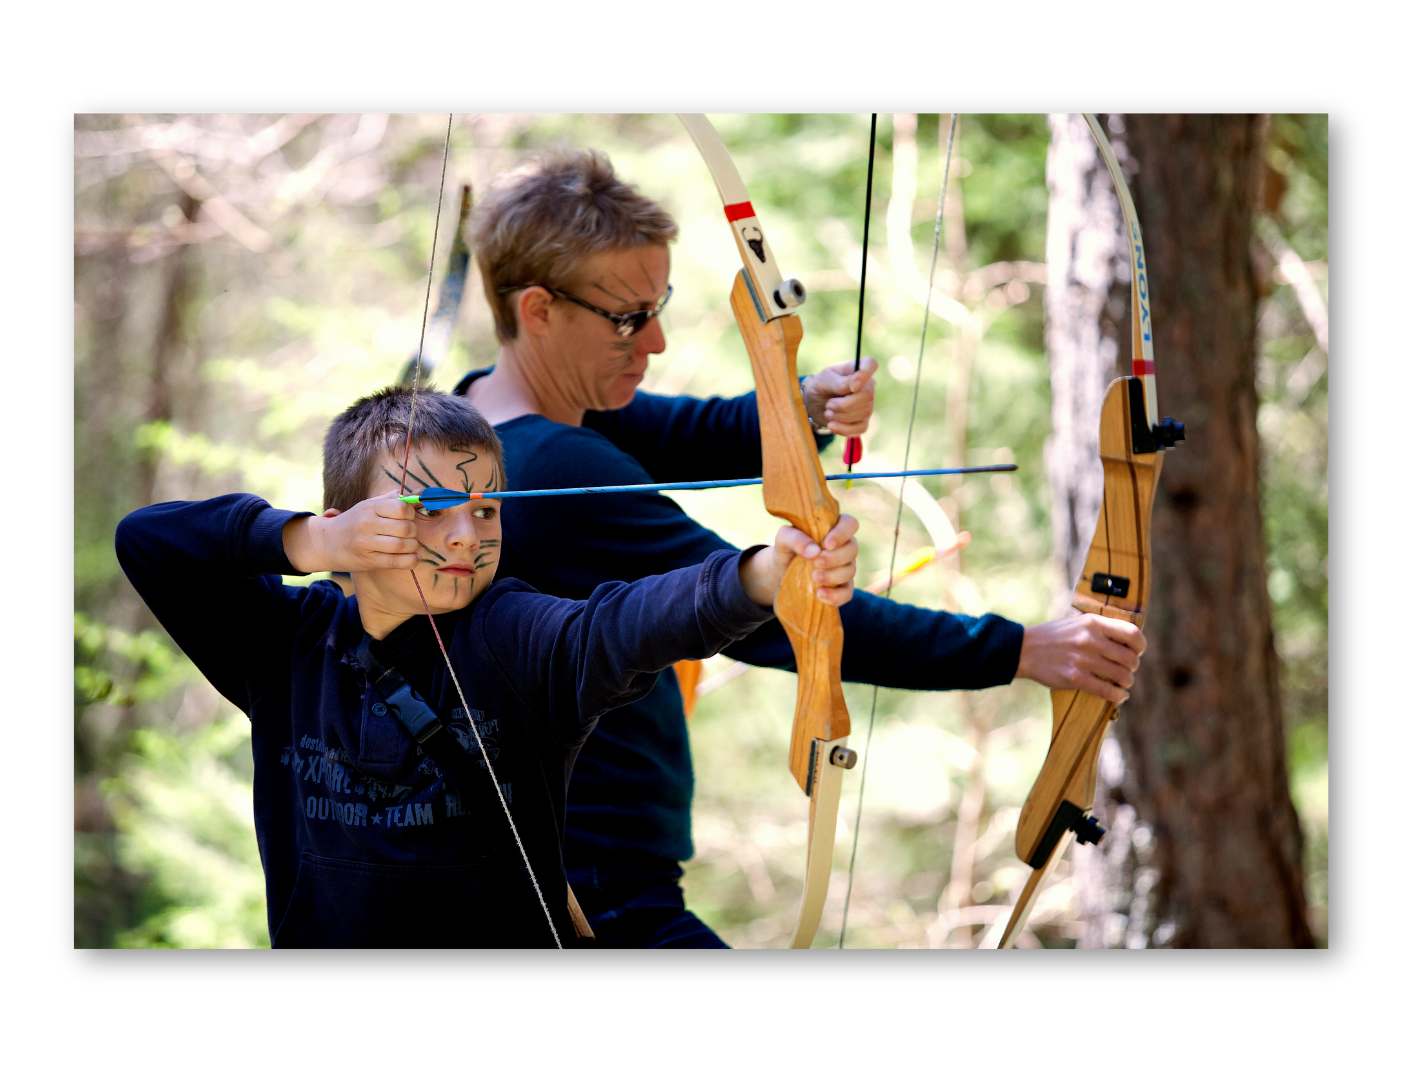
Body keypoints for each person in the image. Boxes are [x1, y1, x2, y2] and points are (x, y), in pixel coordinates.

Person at [452, 147, 1147, 949]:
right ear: (538, 309)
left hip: (548, 870)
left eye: (660, 305)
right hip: (589, 892)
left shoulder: (483, 419)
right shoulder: (560, 470)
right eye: (629, 318)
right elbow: (787, 616)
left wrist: (801, 407)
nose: (658, 342)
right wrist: (1024, 650)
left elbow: (683, 430)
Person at [115, 386, 860, 949]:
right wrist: (309, 542)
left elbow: (619, 626)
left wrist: (761, 577)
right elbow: (147, 542)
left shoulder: (514, 635)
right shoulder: (286, 645)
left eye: (488, 508)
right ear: (350, 520)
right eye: (430, 508)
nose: (468, 535)